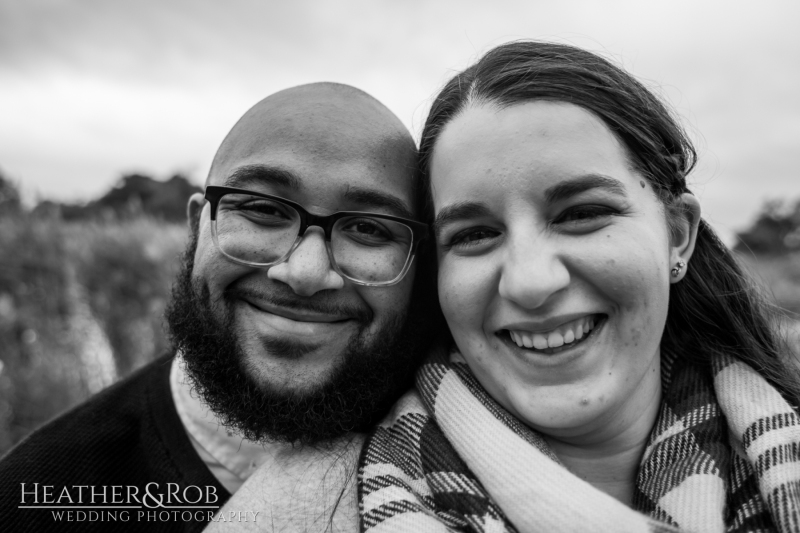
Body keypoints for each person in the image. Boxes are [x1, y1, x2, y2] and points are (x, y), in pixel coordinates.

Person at [360, 42, 800, 532]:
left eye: (582, 214)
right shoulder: (318, 511)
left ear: (677, 235)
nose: (530, 283)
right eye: (474, 235)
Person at [0, 82, 436, 532]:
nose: (304, 274)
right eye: (263, 210)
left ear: (421, 270)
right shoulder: (31, 505)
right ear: (196, 230)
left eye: (367, 227)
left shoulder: (475, 452)